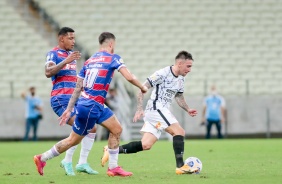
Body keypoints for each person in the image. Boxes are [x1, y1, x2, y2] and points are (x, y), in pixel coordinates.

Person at [33, 32, 148, 177]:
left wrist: (69, 109)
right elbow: (129, 77)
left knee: (117, 129)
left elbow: (78, 87)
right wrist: (142, 87)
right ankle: (42, 158)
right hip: (90, 107)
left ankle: (113, 167)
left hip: (95, 104)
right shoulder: (113, 58)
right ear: (111, 44)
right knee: (73, 140)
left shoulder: (90, 60)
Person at [101, 50, 199, 175]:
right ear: (180, 63)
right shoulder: (162, 73)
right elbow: (142, 89)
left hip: (162, 110)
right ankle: (180, 166)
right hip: (156, 108)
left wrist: (188, 109)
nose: (190, 69)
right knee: (179, 131)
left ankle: (111, 150)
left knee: (146, 145)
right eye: (188, 66)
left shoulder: (181, 79)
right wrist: (139, 109)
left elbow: (179, 97)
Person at [43, 27, 98, 175]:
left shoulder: (71, 56)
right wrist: (66, 61)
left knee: (92, 128)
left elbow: (72, 78)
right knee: (82, 127)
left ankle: (82, 162)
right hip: (60, 99)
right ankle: (67, 160)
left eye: (74, 38)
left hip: (73, 99)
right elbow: (48, 72)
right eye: (70, 38)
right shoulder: (53, 54)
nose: (74, 41)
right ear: (61, 39)